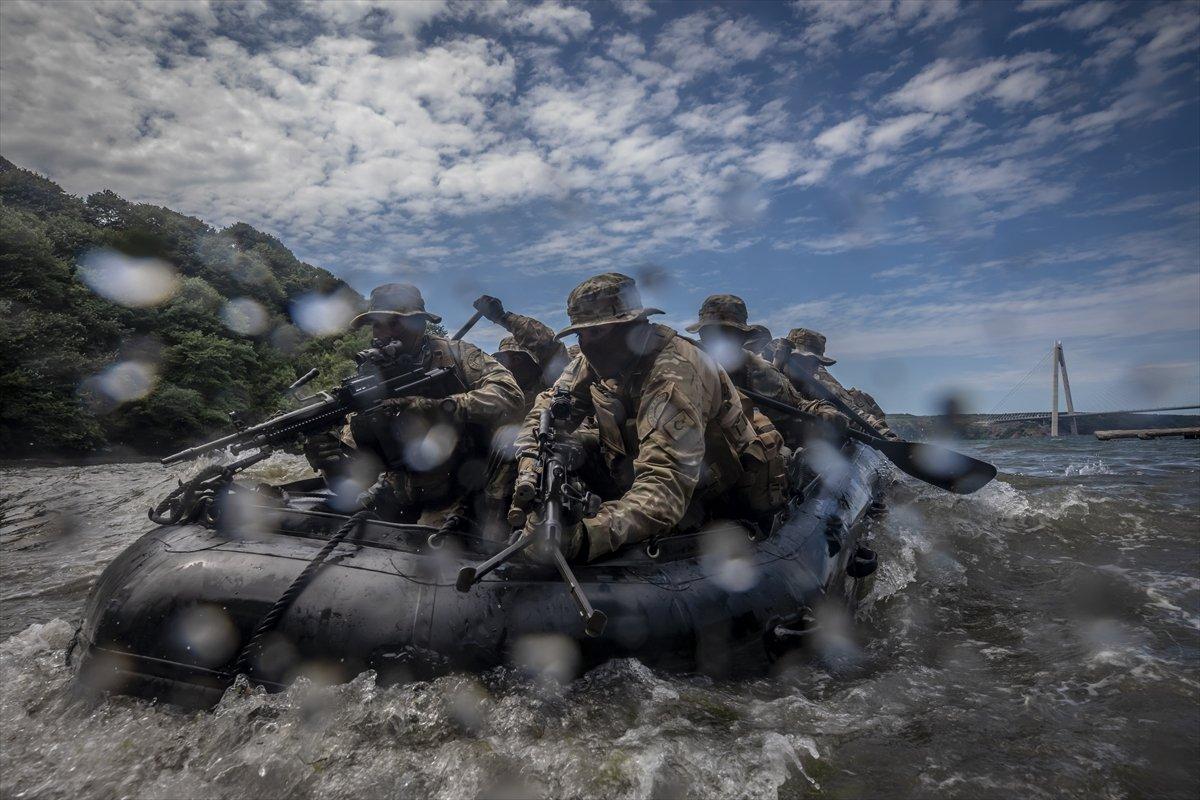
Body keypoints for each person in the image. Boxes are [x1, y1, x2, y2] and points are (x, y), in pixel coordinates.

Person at [511, 273, 788, 562]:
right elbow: (550, 405)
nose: (586, 344)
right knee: (566, 445)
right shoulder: (597, 358)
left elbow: (665, 485)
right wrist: (531, 461)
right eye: (581, 334)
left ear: (631, 327)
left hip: (709, 494)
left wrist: (587, 536)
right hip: (637, 468)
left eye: (597, 333)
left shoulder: (673, 373)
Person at [302, 283, 523, 526]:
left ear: (419, 323)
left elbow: (510, 395)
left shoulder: (458, 355)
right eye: (376, 324)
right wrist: (329, 461)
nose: (382, 334)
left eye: (394, 323)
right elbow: (357, 473)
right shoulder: (371, 379)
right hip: (402, 495)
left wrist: (441, 407)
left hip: (467, 491)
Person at [684, 294, 845, 449]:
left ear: (741, 336)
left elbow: (799, 405)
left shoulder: (756, 368)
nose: (719, 340)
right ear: (702, 333)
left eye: (728, 332)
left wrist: (824, 412)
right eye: (711, 332)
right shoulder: (683, 360)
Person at [772, 327, 899, 441]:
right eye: (806, 361)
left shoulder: (823, 389)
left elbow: (858, 417)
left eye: (816, 363)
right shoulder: (765, 380)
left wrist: (888, 438)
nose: (812, 368)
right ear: (788, 358)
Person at [472, 295, 572, 390]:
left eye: (518, 359)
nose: (502, 365)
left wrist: (502, 317)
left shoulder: (554, 382)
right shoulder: (500, 392)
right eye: (501, 359)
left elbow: (545, 342)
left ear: (533, 363)